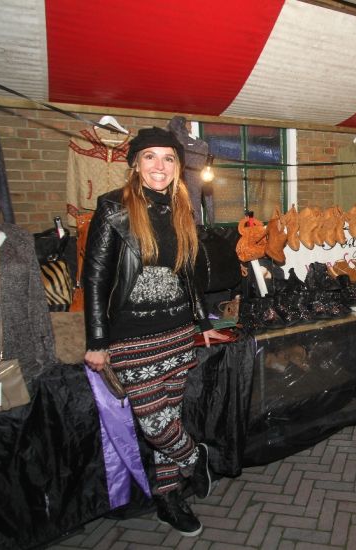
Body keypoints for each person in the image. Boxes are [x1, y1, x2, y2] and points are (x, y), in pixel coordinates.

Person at [82, 127, 229, 536]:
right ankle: (195, 458)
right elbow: (95, 277)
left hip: (177, 333)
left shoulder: (182, 210)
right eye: (150, 157)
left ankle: (168, 498)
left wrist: (202, 324)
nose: (159, 166)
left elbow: (188, 276)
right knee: (154, 424)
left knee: (170, 416)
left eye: (168, 158)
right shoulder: (113, 208)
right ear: (135, 164)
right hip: (131, 337)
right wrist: (97, 340)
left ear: (178, 166)